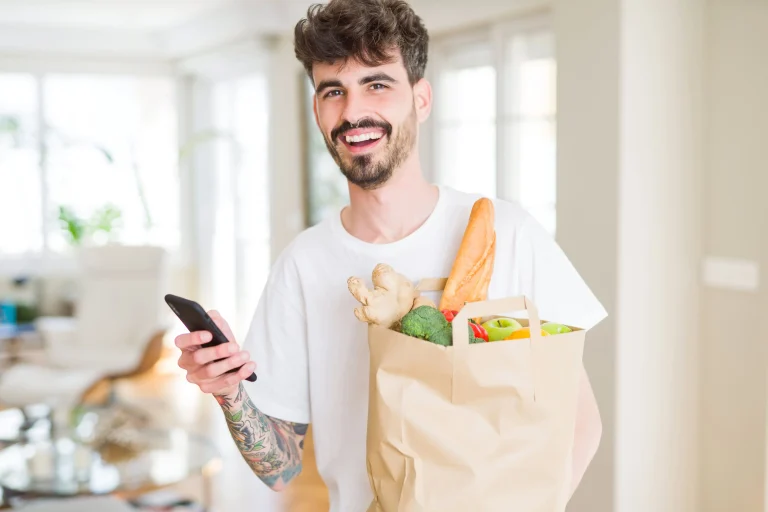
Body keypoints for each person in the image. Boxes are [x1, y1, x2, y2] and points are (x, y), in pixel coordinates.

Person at [174, 0, 607, 510]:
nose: (353, 111)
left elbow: (581, 420)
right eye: (334, 91)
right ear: (318, 110)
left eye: (377, 84)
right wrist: (228, 393)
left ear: (421, 99)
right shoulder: (303, 264)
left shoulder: (507, 232)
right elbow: (281, 465)